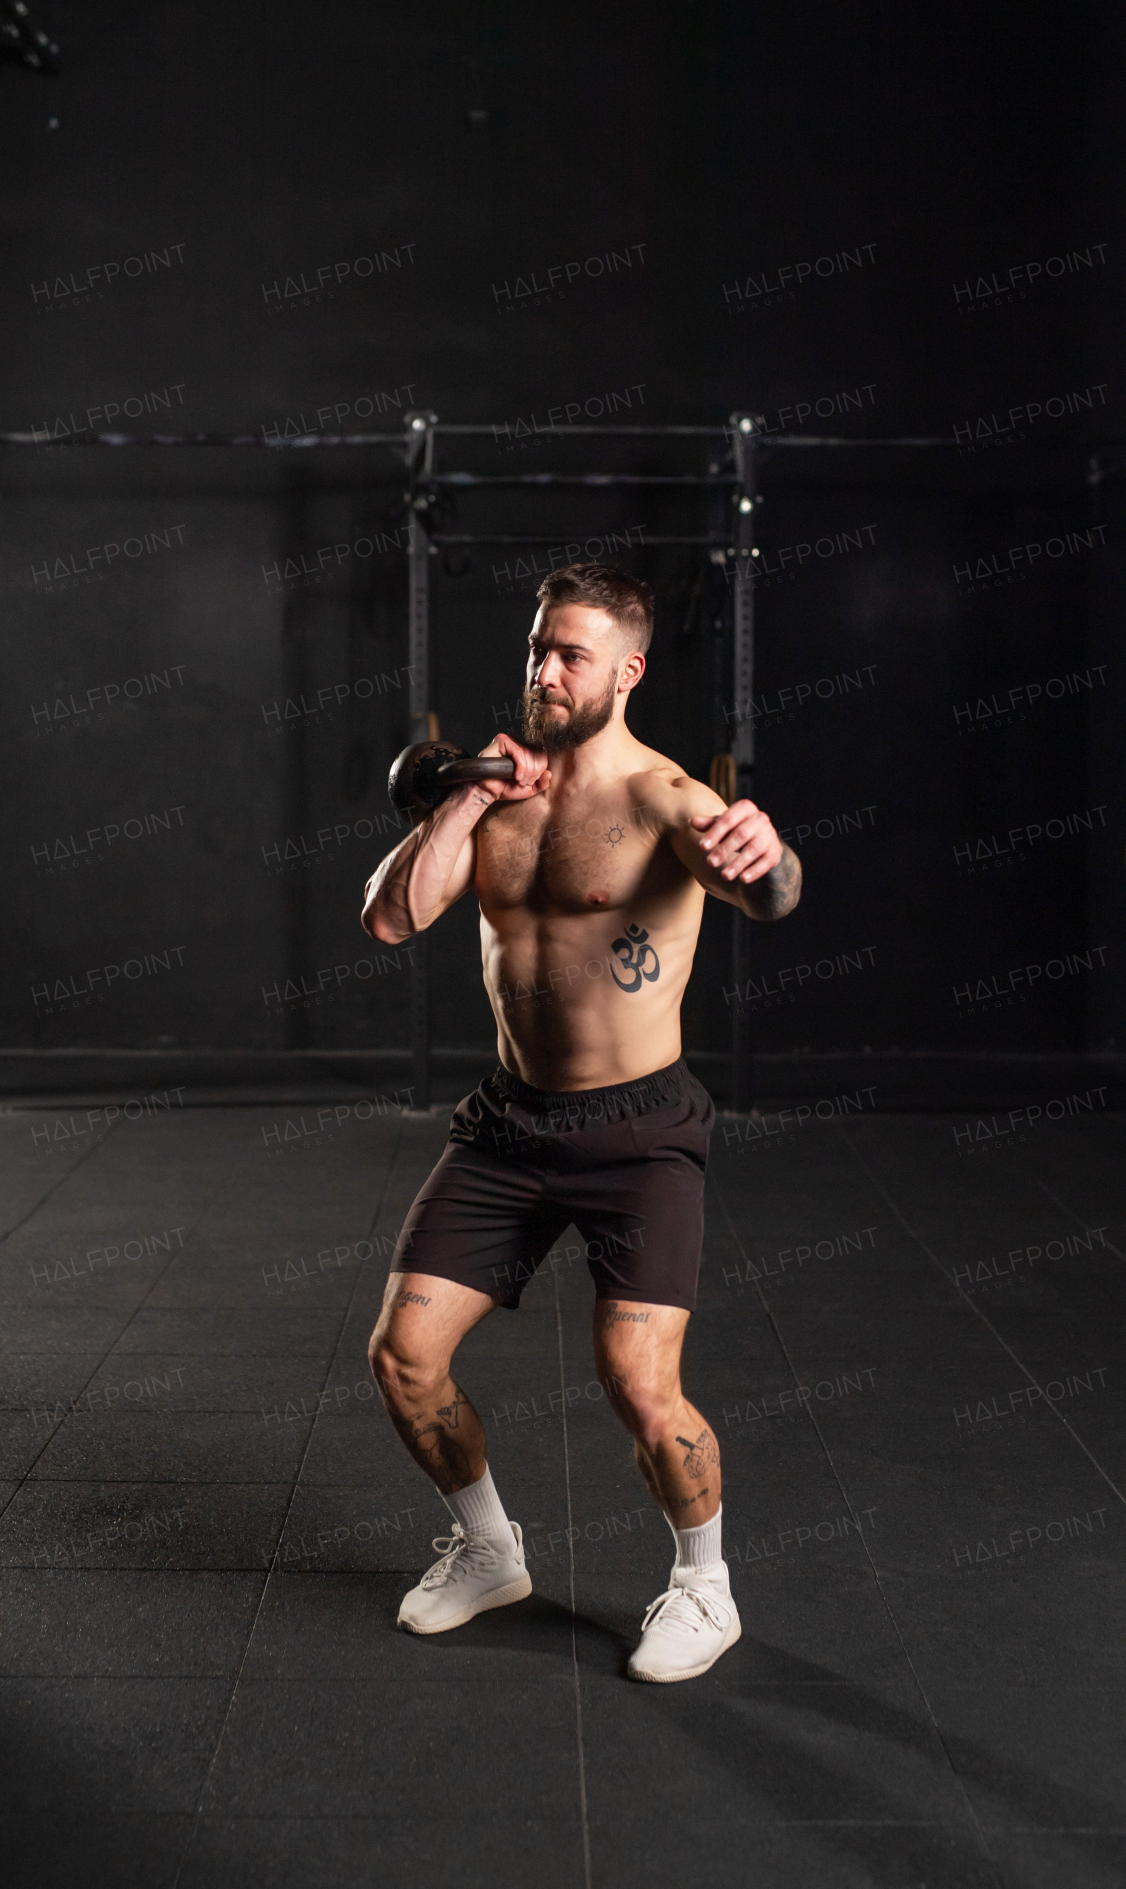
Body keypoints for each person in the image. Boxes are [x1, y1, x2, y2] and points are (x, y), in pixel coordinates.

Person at [360, 562, 801, 1682]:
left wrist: (772, 857)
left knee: (637, 1385)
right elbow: (390, 919)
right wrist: (466, 793)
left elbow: (767, 889)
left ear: (627, 671)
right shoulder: (495, 790)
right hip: (508, 1124)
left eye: (569, 655)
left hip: (639, 1129)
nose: (543, 672)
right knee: (404, 1359)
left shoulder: (664, 799)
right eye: (535, 649)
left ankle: (704, 1585)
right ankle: (489, 1549)